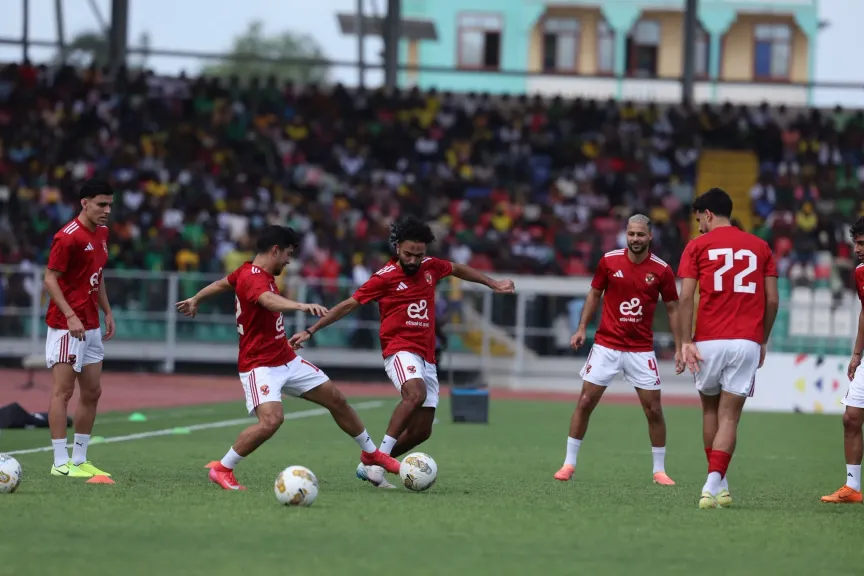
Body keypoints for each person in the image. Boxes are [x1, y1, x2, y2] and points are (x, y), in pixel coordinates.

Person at [289, 216, 515, 489]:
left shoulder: (431, 267)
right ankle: (377, 462)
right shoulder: (384, 277)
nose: (413, 260)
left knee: (422, 431)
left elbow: (457, 268)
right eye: (408, 253)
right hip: (399, 349)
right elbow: (349, 305)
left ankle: (369, 465)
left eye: (418, 255)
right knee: (415, 393)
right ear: (397, 248)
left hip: (427, 355)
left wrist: (493, 283)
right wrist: (311, 331)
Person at [176, 225, 401, 491]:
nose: (289, 260)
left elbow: (222, 283)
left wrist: (196, 298)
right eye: (288, 254)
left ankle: (370, 454)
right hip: (260, 365)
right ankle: (223, 469)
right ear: (275, 250)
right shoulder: (254, 277)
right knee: (271, 421)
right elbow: (268, 301)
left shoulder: (249, 272)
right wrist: (301, 306)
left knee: (336, 399)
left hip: (285, 357)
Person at [554, 214, 684, 486]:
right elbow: (594, 294)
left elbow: (672, 307)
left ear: (650, 237)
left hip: (640, 350)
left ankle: (659, 470)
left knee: (654, 410)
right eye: (631, 234)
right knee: (585, 402)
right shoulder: (609, 261)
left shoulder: (661, 270)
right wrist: (581, 328)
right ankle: (568, 464)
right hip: (606, 346)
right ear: (626, 235)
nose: (635, 239)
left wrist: (681, 345)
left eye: (640, 235)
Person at [677, 188, 779, 509]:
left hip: (708, 340)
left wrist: (684, 342)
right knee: (730, 418)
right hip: (746, 341)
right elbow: (773, 299)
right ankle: (716, 484)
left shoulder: (696, 247)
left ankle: (713, 484)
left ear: (708, 214)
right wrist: (762, 338)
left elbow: (685, 298)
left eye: (699, 220)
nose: (699, 228)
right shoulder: (761, 247)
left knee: (710, 411)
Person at [44, 179, 116, 478]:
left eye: (110, 204)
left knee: (93, 392)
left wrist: (107, 312)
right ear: (84, 203)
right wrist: (71, 315)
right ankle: (60, 463)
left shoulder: (102, 233)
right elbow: (50, 278)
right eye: (101, 204)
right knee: (63, 392)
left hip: (91, 324)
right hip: (67, 326)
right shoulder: (68, 237)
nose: (107, 210)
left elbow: (96, 276)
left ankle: (79, 459)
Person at [821, 217, 864, 504]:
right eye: (856, 243)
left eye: (861, 243)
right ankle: (852, 487)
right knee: (851, 418)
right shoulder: (860, 273)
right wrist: (856, 354)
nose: (857, 249)